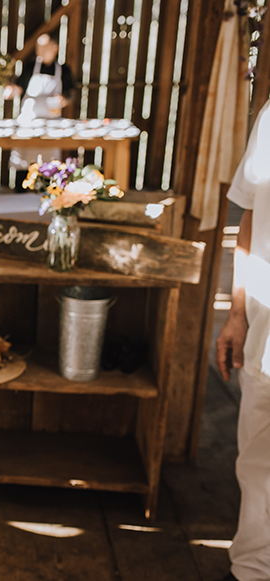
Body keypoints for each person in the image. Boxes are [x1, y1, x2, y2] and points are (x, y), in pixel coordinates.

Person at [215, 99, 270, 581]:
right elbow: (249, 215)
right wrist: (236, 314)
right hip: (265, 327)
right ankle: (251, 570)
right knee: (255, 464)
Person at [3, 33, 76, 189]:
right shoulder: (30, 67)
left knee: (49, 162)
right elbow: (19, 87)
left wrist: (64, 100)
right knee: (23, 159)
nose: (40, 51)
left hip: (51, 124)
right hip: (28, 121)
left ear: (55, 48)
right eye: (38, 48)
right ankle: (20, 191)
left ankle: (46, 192)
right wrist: (11, 90)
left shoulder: (63, 70)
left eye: (44, 47)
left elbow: (71, 94)